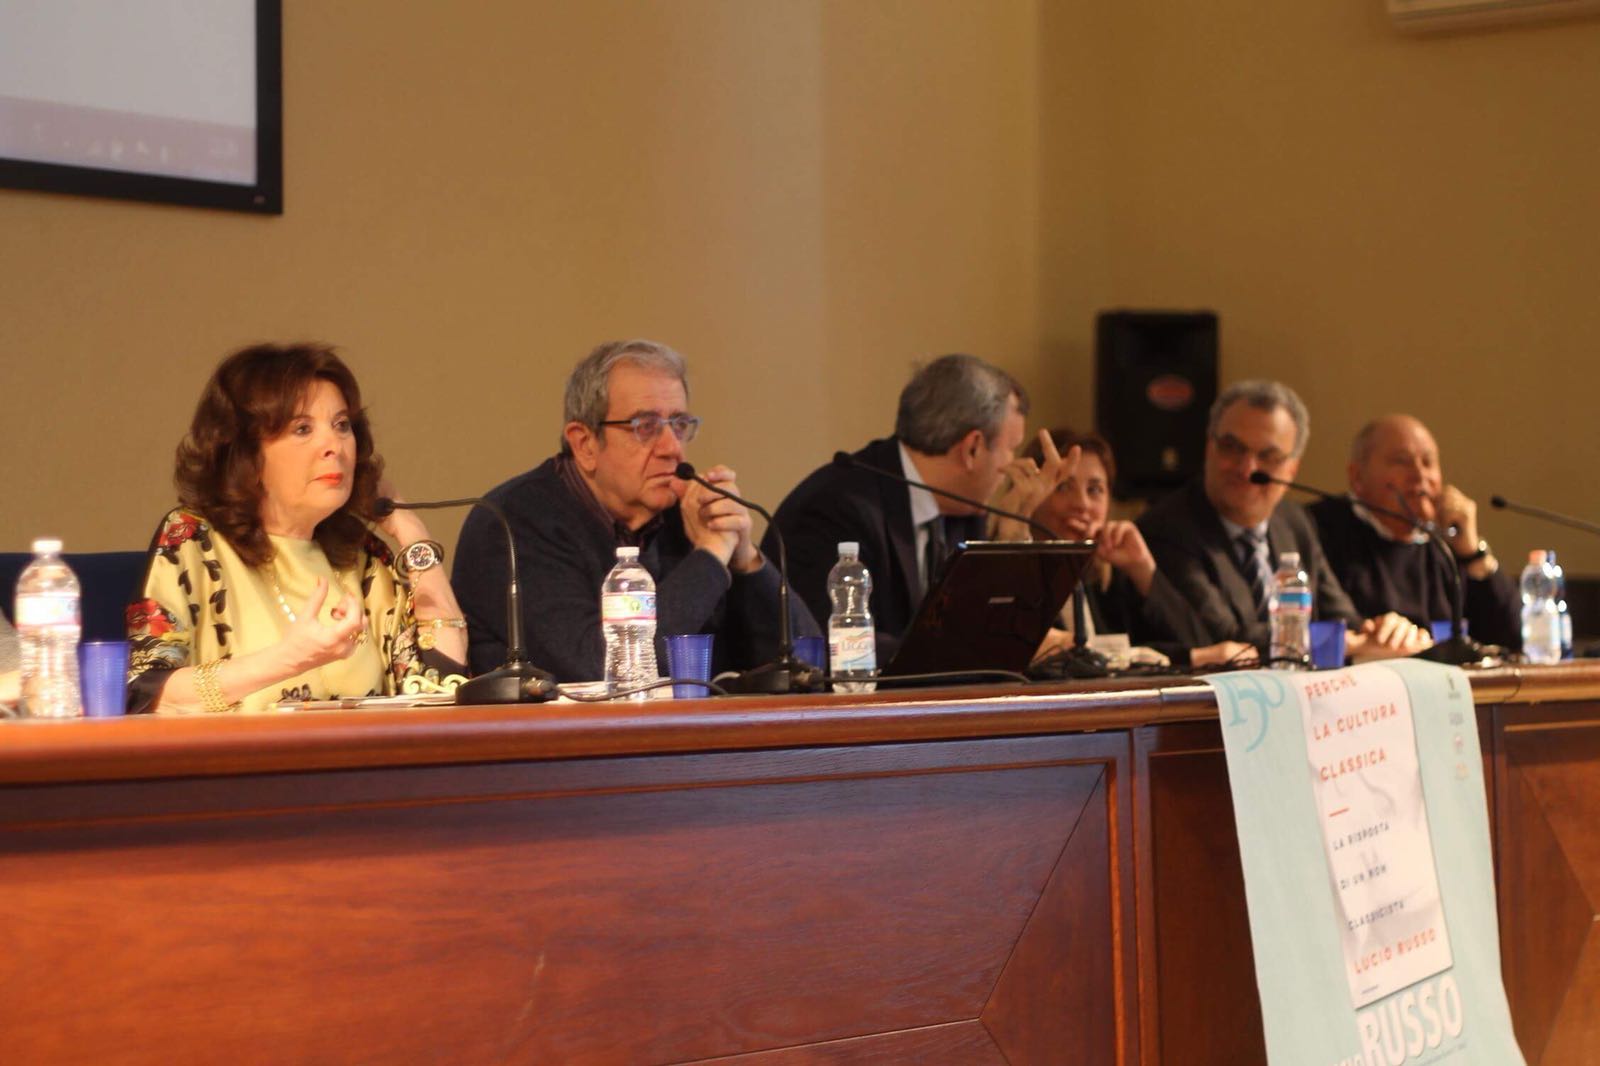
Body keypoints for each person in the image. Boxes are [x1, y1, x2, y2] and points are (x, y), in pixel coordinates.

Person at [127, 344, 468, 713]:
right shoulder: (193, 539)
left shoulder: (362, 557)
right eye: (303, 429)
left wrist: (409, 528)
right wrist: (289, 659)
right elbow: (146, 691)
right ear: (247, 453)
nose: (333, 445)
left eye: (342, 425)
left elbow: (441, 689)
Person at [451, 339, 815, 683]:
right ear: (585, 444)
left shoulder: (690, 519)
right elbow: (599, 669)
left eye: (680, 425)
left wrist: (744, 557)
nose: (672, 448)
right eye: (646, 427)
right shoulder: (512, 523)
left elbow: (807, 665)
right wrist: (709, 557)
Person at [766, 353, 1069, 656]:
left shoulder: (963, 511)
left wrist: (1014, 538)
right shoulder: (837, 507)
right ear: (973, 448)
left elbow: (988, 627)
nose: (1013, 465)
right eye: (1011, 449)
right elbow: (831, 643)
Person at [1137, 380, 1431, 660]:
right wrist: (1342, 642)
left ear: (1292, 470)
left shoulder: (1294, 521)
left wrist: (1381, 632)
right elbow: (1223, 638)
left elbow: (1342, 619)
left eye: (1269, 456)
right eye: (1232, 447)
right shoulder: (1167, 528)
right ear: (1208, 448)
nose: (1247, 468)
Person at [1025, 428, 1252, 669]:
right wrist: (1190, 658)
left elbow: (1197, 642)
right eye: (1063, 487)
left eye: (1095, 490)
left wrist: (1144, 570)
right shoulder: (1017, 577)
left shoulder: (1108, 576)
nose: (1082, 504)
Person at [1309, 414, 1519, 649]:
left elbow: (1512, 638)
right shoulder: (1316, 530)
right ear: (1357, 477)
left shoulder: (1444, 543)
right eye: (1401, 462)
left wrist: (1472, 553)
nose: (1420, 475)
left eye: (1428, 463)